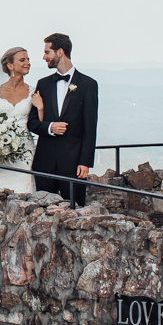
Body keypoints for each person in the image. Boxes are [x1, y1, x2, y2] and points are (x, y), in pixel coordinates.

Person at [28, 33, 99, 207]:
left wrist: (85, 161)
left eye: (47, 52)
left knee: (76, 212)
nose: (44, 57)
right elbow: (32, 122)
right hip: (44, 163)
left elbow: (90, 127)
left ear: (60, 52)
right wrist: (50, 127)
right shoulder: (43, 84)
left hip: (73, 164)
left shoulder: (88, 85)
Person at [0, 46, 44, 196]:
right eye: (22, 60)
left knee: (24, 193)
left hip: (25, 152)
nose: (27, 63)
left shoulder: (34, 92)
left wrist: (40, 108)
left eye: (28, 60)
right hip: (1, 155)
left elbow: (41, 123)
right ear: (10, 66)